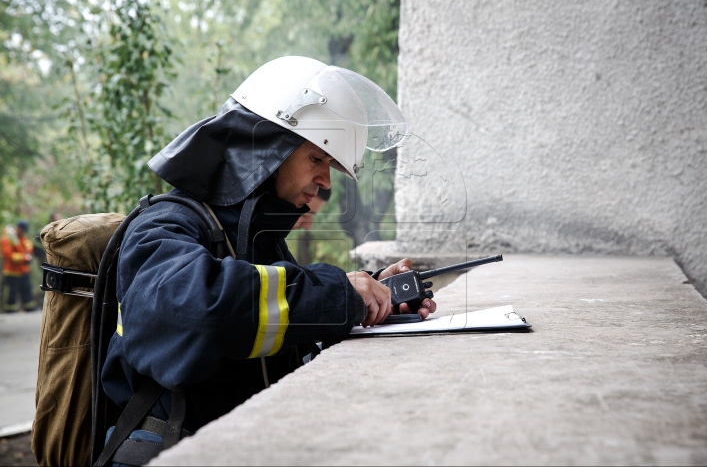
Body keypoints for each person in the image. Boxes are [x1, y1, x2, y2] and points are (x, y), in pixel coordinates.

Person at [99, 56, 436, 465]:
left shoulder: (260, 243)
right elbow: (200, 310)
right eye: (317, 159)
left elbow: (274, 320)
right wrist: (337, 295)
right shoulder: (165, 226)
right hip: (168, 451)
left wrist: (370, 294)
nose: (326, 182)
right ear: (267, 151)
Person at [1, 220, 35, 312]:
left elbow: (28, 247)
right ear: (18, 228)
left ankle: (29, 308)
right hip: (11, 271)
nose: (23, 232)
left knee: (26, 289)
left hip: (23, 270)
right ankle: (9, 309)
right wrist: (24, 257)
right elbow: (8, 255)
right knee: (11, 292)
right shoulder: (7, 239)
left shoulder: (22, 238)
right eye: (22, 230)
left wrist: (28, 254)